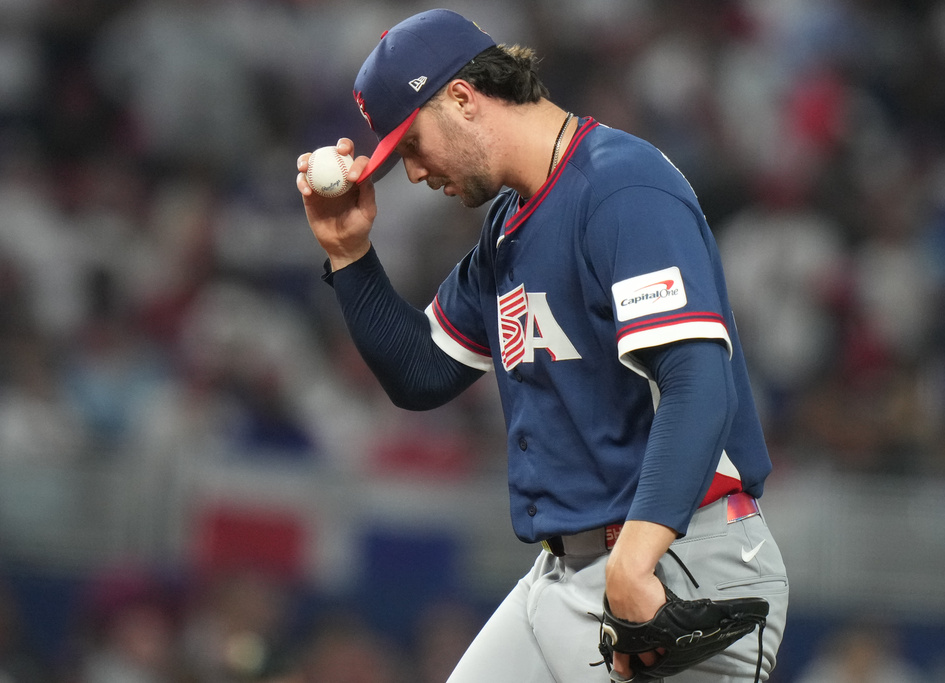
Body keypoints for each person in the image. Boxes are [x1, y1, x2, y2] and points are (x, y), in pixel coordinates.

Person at [295, 9, 788, 682]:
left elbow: (698, 380)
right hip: (566, 574)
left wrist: (636, 560)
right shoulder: (509, 226)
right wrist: (351, 255)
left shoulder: (623, 186)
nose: (411, 173)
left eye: (410, 144)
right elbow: (422, 371)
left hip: (680, 561)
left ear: (463, 99)